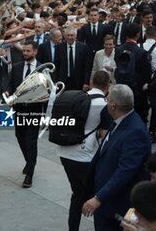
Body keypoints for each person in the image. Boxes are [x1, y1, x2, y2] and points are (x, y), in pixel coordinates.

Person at [82, 84, 151, 231]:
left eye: (108, 99)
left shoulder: (135, 132)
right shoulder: (121, 122)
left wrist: (99, 197)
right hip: (106, 203)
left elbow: (125, 171)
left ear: (113, 105)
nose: (106, 102)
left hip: (116, 207)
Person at [58, 71, 112, 231]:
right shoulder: (104, 105)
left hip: (65, 153)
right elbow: (104, 134)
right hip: (86, 156)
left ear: (91, 82)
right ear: (107, 86)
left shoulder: (77, 98)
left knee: (77, 195)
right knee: (97, 198)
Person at [4, 40, 42, 188]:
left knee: (31, 141)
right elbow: (10, 84)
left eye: (28, 51)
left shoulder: (41, 68)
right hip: (19, 109)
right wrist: (7, 91)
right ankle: (29, 162)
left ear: (35, 52)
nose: (25, 53)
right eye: (24, 51)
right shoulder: (17, 67)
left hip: (34, 110)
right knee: (20, 137)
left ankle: (29, 174)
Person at [114, 23, 152, 124]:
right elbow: (146, 75)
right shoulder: (141, 52)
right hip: (137, 94)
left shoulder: (118, 50)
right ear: (138, 34)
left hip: (121, 92)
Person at [55, 26, 89, 90]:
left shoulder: (83, 47)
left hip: (79, 81)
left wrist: (86, 82)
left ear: (75, 36)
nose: (70, 37)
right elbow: (57, 65)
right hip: (63, 81)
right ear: (64, 36)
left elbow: (86, 66)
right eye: (68, 35)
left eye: (72, 35)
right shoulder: (59, 47)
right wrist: (56, 81)